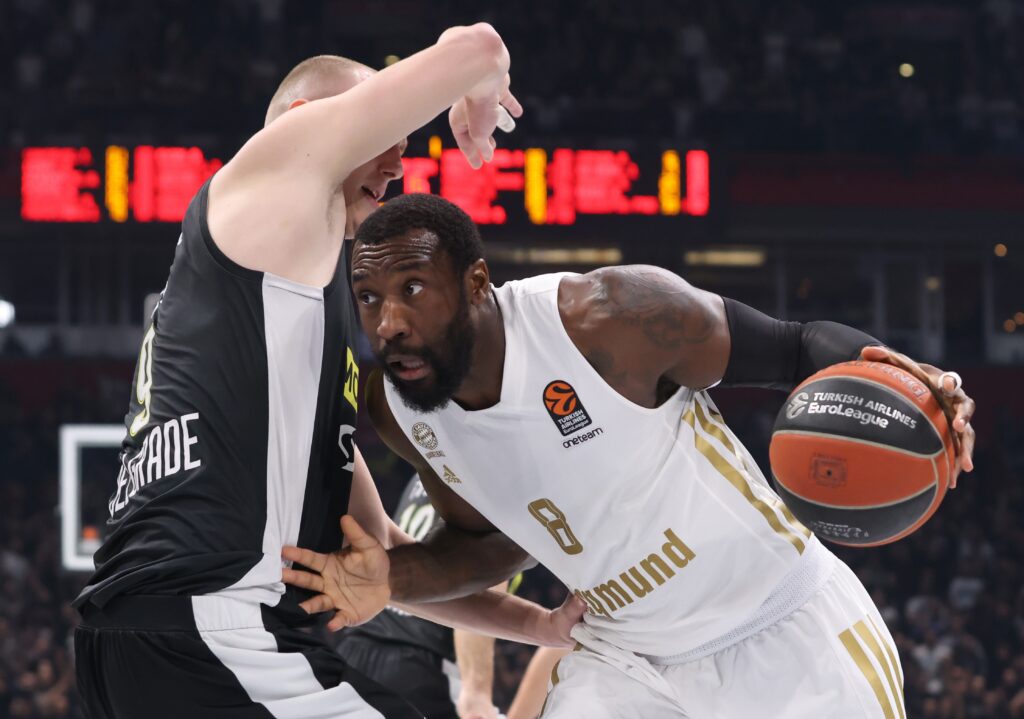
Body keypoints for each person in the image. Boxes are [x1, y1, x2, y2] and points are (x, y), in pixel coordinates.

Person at [282, 192, 977, 718]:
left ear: (474, 284)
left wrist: (918, 387)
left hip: (777, 629)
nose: (387, 323)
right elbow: (495, 545)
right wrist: (391, 577)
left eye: (411, 290)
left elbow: (793, 345)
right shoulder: (399, 408)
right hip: (627, 659)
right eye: (368, 297)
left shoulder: (607, 318)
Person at [72, 27, 583, 719]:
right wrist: (477, 88)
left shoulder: (281, 334)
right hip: (209, 633)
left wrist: (540, 625)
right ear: (303, 120)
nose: (401, 160)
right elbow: (482, 46)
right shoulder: (270, 170)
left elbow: (387, 560)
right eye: (381, 121)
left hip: (152, 644)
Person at [335, 474, 517, 719]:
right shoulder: (498, 478)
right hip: (422, 666)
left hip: (356, 647)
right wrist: (476, 691)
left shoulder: (428, 468)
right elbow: (483, 578)